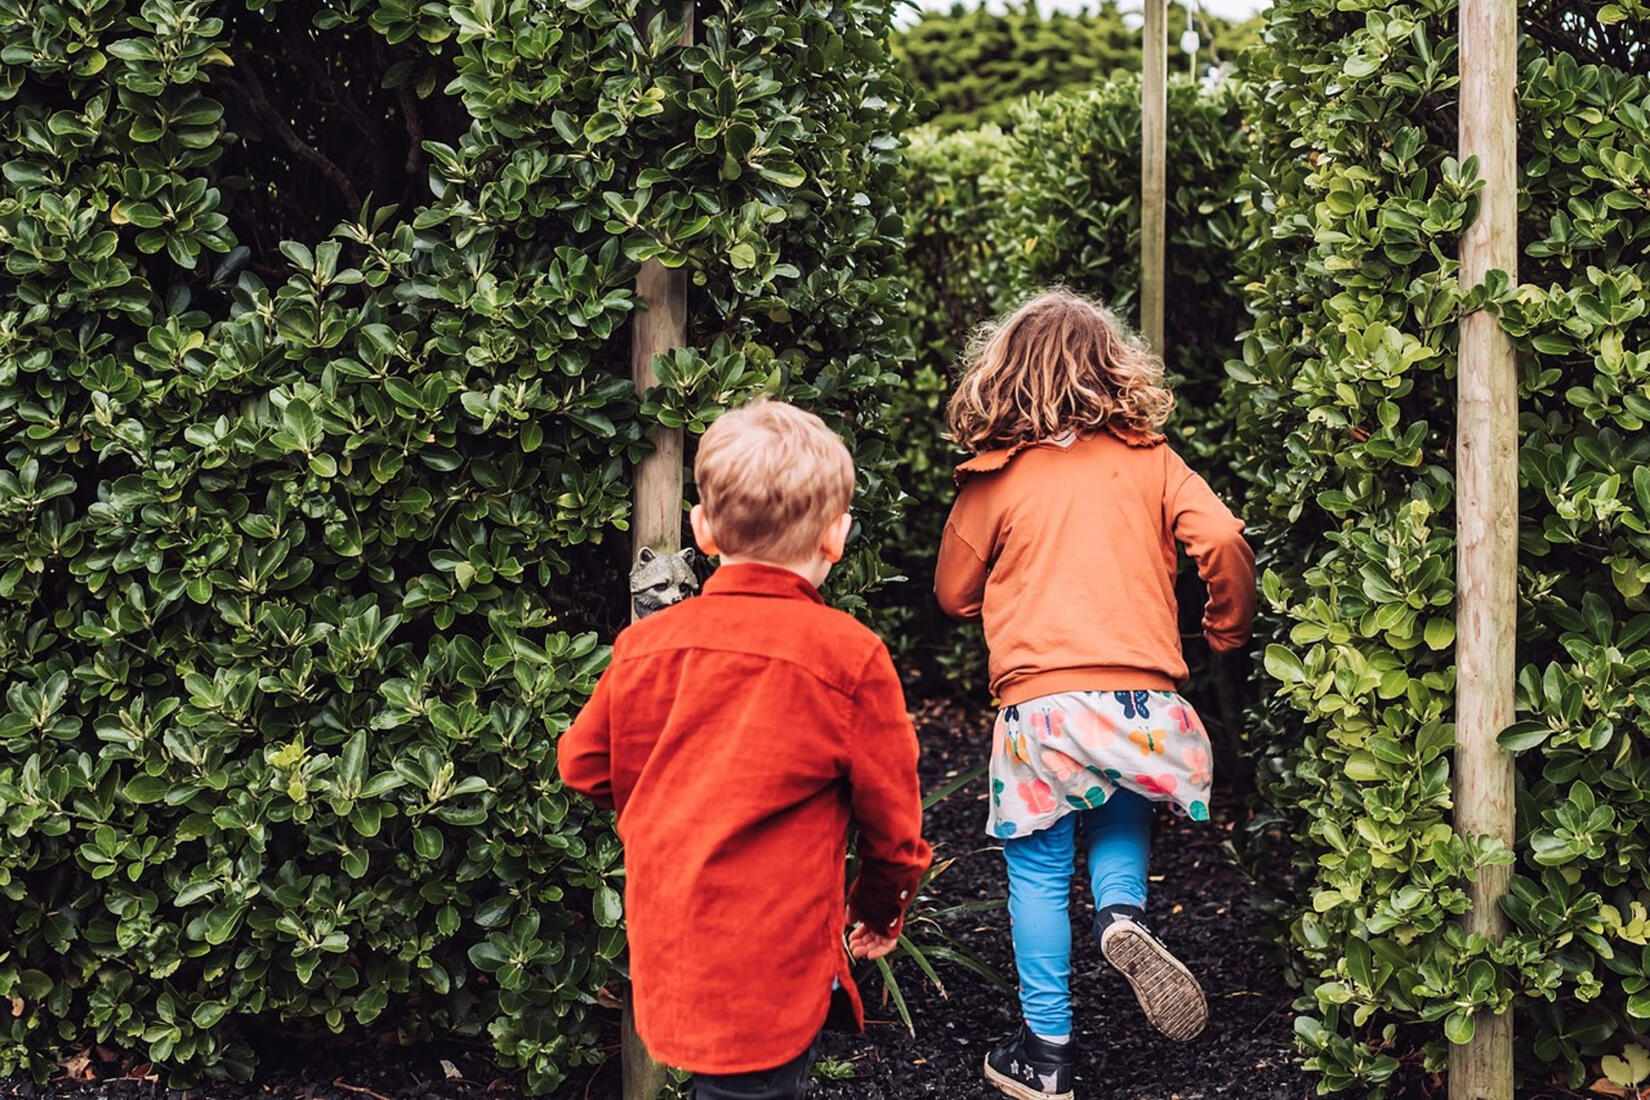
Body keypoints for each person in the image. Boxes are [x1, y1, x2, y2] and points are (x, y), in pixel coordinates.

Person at [559, 398, 932, 1100]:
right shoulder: (849, 657)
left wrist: (672, 791)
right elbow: (894, 822)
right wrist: (881, 908)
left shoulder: (647, 646)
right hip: (775, 953)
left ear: (702, 529)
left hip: (673, 940)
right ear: (836, 537)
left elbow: (582, 763)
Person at [934, 290, 1256, 1100]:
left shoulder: (995, 476)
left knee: (1038, 869)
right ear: (1117, 371)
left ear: (1001, 377)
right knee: (1121, 809)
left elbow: (950, 592)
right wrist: (1223, 629)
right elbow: (1221, 537)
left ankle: (1046, 1051)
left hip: (1044, 709)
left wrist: (1002, 590)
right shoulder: (1153, 460)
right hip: (1143, 707)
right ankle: (1123, 917)